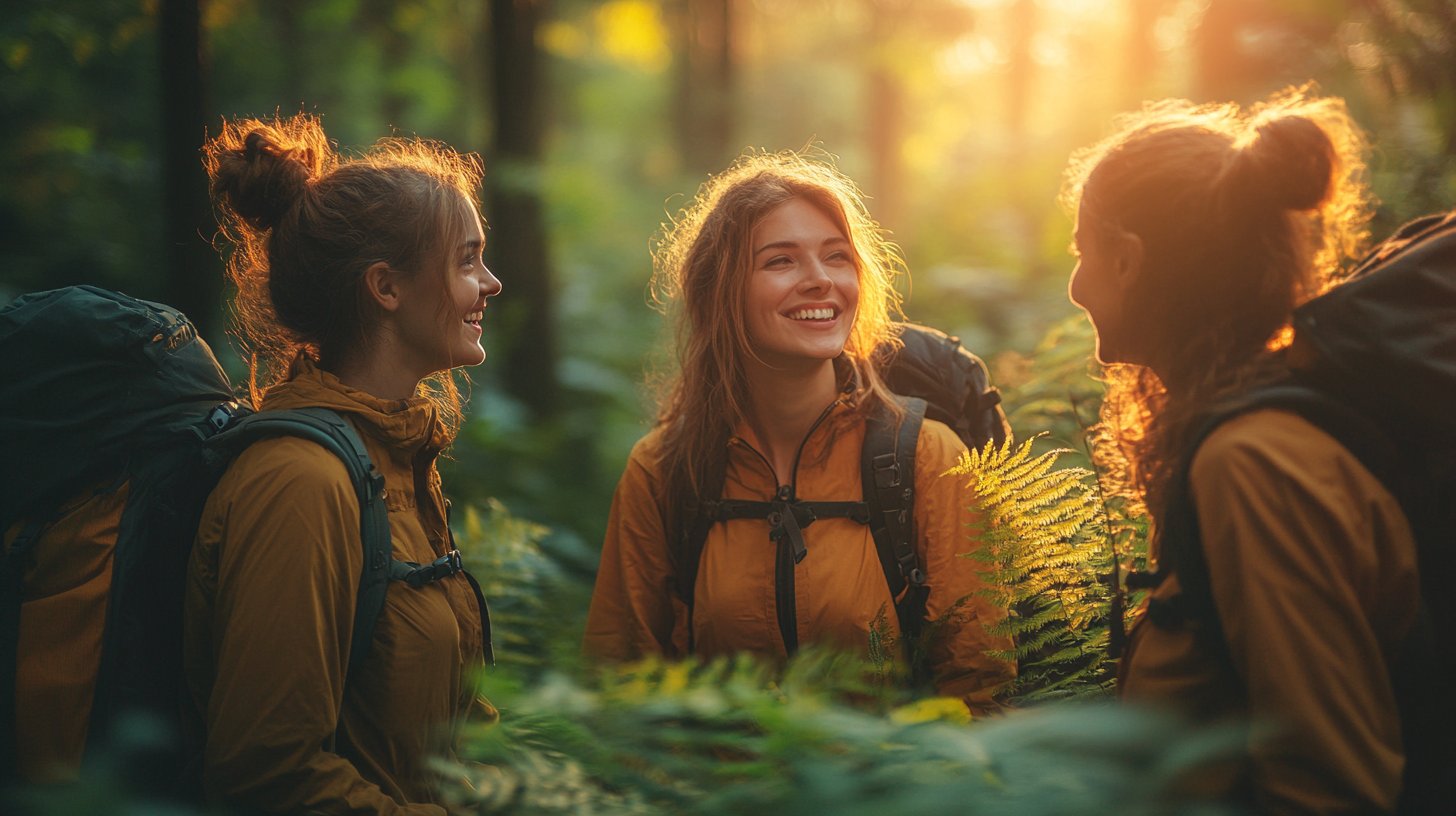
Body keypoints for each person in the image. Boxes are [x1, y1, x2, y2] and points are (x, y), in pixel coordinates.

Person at [1063, 89, 1420, 812]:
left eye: (1083, 253)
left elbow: (1327, 781)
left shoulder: (1253, 463)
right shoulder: (1243, 425)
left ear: (1129, 260)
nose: (1074, 286)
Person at [582, 151, 1013, 712]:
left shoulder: (928, 459)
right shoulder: (664, 470)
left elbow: (980, 691)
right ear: (721, 291)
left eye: (837, 257)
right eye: (781, 261)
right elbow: (623, 684)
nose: (820, 281)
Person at [186, 114, 500, 813]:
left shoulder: (395, 456)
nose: (492, 282)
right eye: (466, 260)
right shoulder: (302, 482)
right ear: (386, 288)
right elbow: (267, 774)